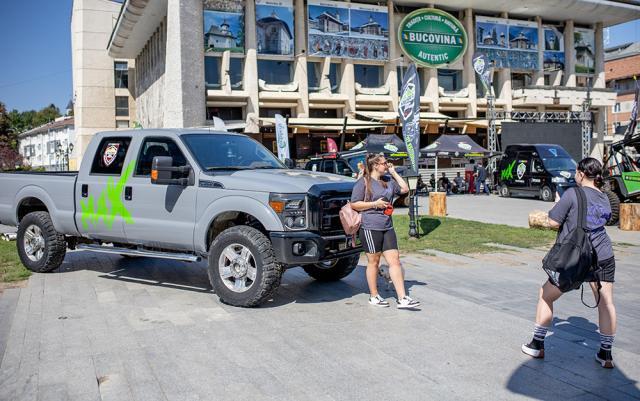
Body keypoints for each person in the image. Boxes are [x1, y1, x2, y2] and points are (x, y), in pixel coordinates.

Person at [521, 158, 617, 369]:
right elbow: (605, 219)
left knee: (546, 295)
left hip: (575, 256)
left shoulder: (573, 193)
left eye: (576, 171)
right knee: (606, 303)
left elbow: (554, 222)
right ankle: (606, 354)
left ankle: (537, 344)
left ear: (581, 173)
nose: (575, 174)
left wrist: (557, 205)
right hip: (603, 255)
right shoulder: (604, 197)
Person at [350, 153, 420, 309]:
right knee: (373, 262)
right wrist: (374, 204)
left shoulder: (388, 181)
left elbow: (404, 188)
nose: (387, 165)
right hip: (370, 226)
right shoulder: (364, 182)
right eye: (384, 163)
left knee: (395, 261)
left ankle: (402, 298)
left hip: (387, 226)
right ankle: (374, 296)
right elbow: (354, 204)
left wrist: (394, 172)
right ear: (375, 165)